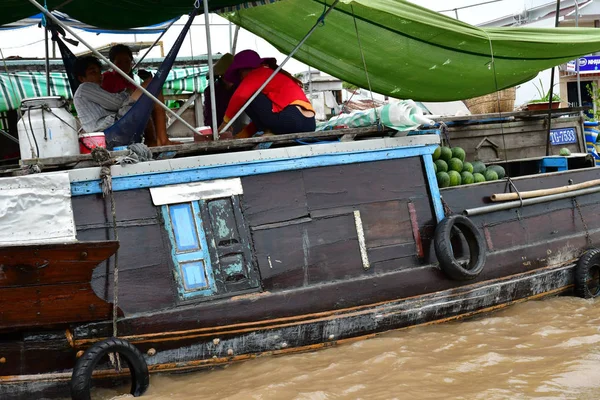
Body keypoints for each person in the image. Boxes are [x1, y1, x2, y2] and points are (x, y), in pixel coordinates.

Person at [218, 50, 316, 137]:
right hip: (309, 124)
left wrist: (225, 122)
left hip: (291, 119)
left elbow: (240, 96)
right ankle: (271, 131)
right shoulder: (272, 76)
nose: (241, 78)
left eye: (240, 74)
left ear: (244, 70)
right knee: (250, 98)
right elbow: (261, 120)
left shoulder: (256, 74)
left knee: (247, 97)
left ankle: (271, 131)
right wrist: (240, 137)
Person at [100, 44, 175, 146]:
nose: (124, 65)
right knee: (154, 85)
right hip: (117, 118)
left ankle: (154, 139)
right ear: (112, 63)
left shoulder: (130, 80)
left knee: (151, 96)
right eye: (119, 62)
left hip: (131, 112)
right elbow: (110, 101)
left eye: (127, 62)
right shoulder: (107, 78)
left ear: (131, 62)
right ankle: (161, 139)